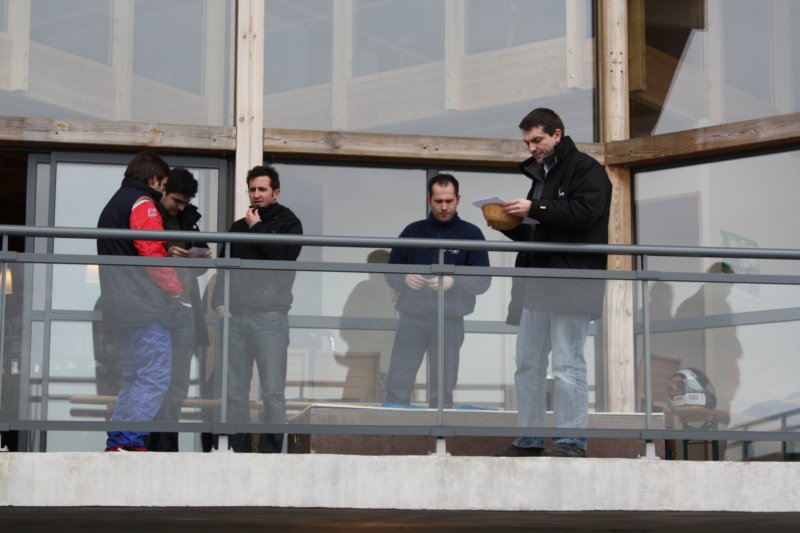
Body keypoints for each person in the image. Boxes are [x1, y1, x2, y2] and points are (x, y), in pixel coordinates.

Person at [491, 108, 611, 458]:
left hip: (571, 284)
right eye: (527, 142)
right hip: (536, 286)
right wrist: (509, 225)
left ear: (557, 134)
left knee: (566, 365)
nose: (532, 148)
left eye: (537, 140)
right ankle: (529, 440)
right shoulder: (542, 175)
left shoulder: (587, 168)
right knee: (527, 366)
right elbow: (542, 231)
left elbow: (585, 215)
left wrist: (535, 209)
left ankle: (571, 441)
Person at [212, 164, 303, 453]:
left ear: (276, 192)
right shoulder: (238, 227)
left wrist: (257, 228)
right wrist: (219, 302)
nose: (256, 194)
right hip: (237, 317)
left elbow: (284, 256)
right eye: (252, 189)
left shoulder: (289, 223)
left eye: (262, 189)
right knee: (234, 392)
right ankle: (238, 452)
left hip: (270, 317)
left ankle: (270, 454)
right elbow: (224, 268)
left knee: (273, 392)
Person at [96, 151, 182, 452]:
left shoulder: (113, 204)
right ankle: (130, 442)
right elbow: (152, 251)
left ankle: (118, 442)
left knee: (134, 377)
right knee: (154, 376)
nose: (162, 191)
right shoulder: (143, 203)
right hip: (144, 307)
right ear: (155, 179)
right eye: (164, 185)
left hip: (118, 307)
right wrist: (175, 288)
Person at [383, 174, 490, 408]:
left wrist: (454, 282)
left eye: (449, 201)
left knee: (442, 386)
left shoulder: (471, 234)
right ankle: (394, 426)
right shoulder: (412, 231)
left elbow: (483, 280)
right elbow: (390, 272)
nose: (444, 207)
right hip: (412, 318)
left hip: (449, 319)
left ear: (458, 199)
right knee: (399, 379)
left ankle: (439, 430)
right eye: (438, 201)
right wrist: (404, 278)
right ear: (429, 200)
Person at [148, 167, 212, 452]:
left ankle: (167, 450)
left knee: (178, 386)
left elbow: (200, 268)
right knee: (154, 381)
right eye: (177, 200)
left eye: (185, 202)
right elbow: (140, 254)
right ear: (162, 189)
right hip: (157, 309)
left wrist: (201, 259)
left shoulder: (188, 219)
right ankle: (150, 448)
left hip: (185, 309)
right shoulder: (149, 215)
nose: (181, 207)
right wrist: (166, 252)